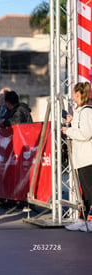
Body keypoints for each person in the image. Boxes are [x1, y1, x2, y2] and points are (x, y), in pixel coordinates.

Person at [62, 82, 92, 232]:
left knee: (89, 191)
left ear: (79, 94)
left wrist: (68, 131)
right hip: (81, 158)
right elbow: (80, 128)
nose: (72, 95)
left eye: (74, 92)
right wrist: (72, 122)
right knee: (85, 192)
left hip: (88, 158)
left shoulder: (87, 112)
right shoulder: (80, 111)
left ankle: (87, 219)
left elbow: (86, 134)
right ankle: (82, 219)